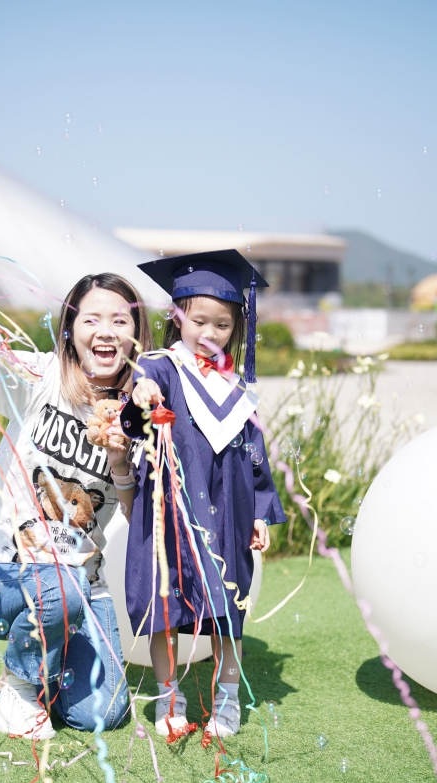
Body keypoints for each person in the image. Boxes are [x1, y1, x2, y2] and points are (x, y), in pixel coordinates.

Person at [0, 256, 152, 740]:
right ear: (70, 330)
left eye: (120, 320)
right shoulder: (39, 375)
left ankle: (51, 650)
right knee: (60, 587)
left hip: (81, 584)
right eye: (91, 319)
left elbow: (143, 520)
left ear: (137, 335)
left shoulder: (143, 417)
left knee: (103, 716)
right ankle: (18, 687)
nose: (105, 331)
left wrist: (120, 464)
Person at [119, 249, 286, 740]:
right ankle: (168, 696)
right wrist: (141, 396)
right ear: (177, 316)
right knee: (164, 606)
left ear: (236, 328)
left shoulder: (236, 388)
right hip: (168, 509)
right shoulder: (161, 367)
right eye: (199, 321)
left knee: (228, 611)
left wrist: (260, 512)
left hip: (229, 509)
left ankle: (227, 700)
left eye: (222, 325)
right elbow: (141, 397)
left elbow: (254, 453)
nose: (210, 333)